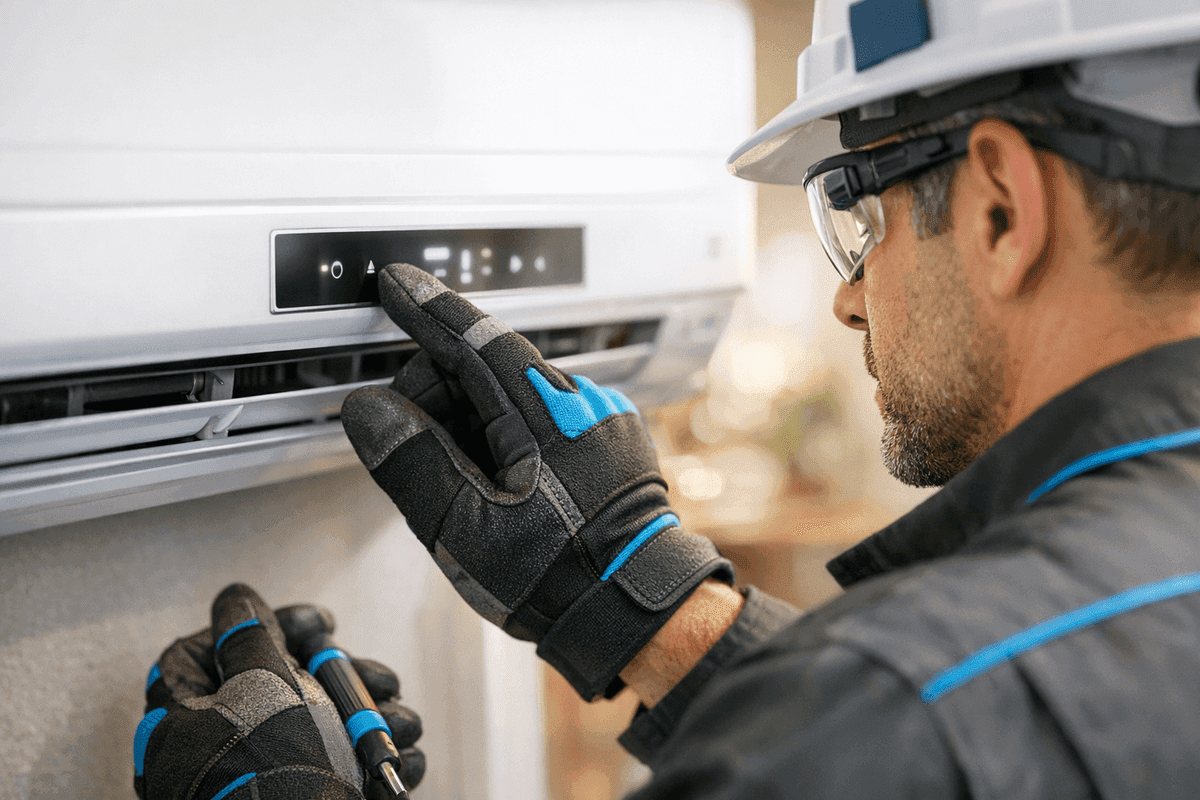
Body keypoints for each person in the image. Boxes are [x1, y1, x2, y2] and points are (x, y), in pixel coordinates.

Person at [135, 1, 1200, 796]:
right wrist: (644, 591)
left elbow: (910, 720)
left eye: (863, 216)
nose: (848, 294)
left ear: (1004, 209)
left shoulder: (886, 713)